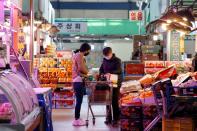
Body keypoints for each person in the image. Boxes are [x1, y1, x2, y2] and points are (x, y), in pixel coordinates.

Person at [99, 47, 122, 126]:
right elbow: (101, 69)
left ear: (111, 53)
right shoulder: (104, 60)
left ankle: (116, 119)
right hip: (107, 83)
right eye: (105, 56)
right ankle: (108, 118)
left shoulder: (117, 60)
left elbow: (119, 70)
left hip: (115, 83)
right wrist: (102, 74)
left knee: (114, 101)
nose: (106, 57)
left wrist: (110, 73)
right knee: (107, 101)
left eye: (107, 55)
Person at [72, 43, 91, 126]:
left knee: (79, 100)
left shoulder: (76, 55)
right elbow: (81, 68)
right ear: (86, 50)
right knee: (79, 101)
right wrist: (88, 73)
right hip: (78, 81)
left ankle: (77, 118)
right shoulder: (79, 55)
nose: (88, 52)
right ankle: (76, 119)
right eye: (89, 51)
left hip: (77, 80)